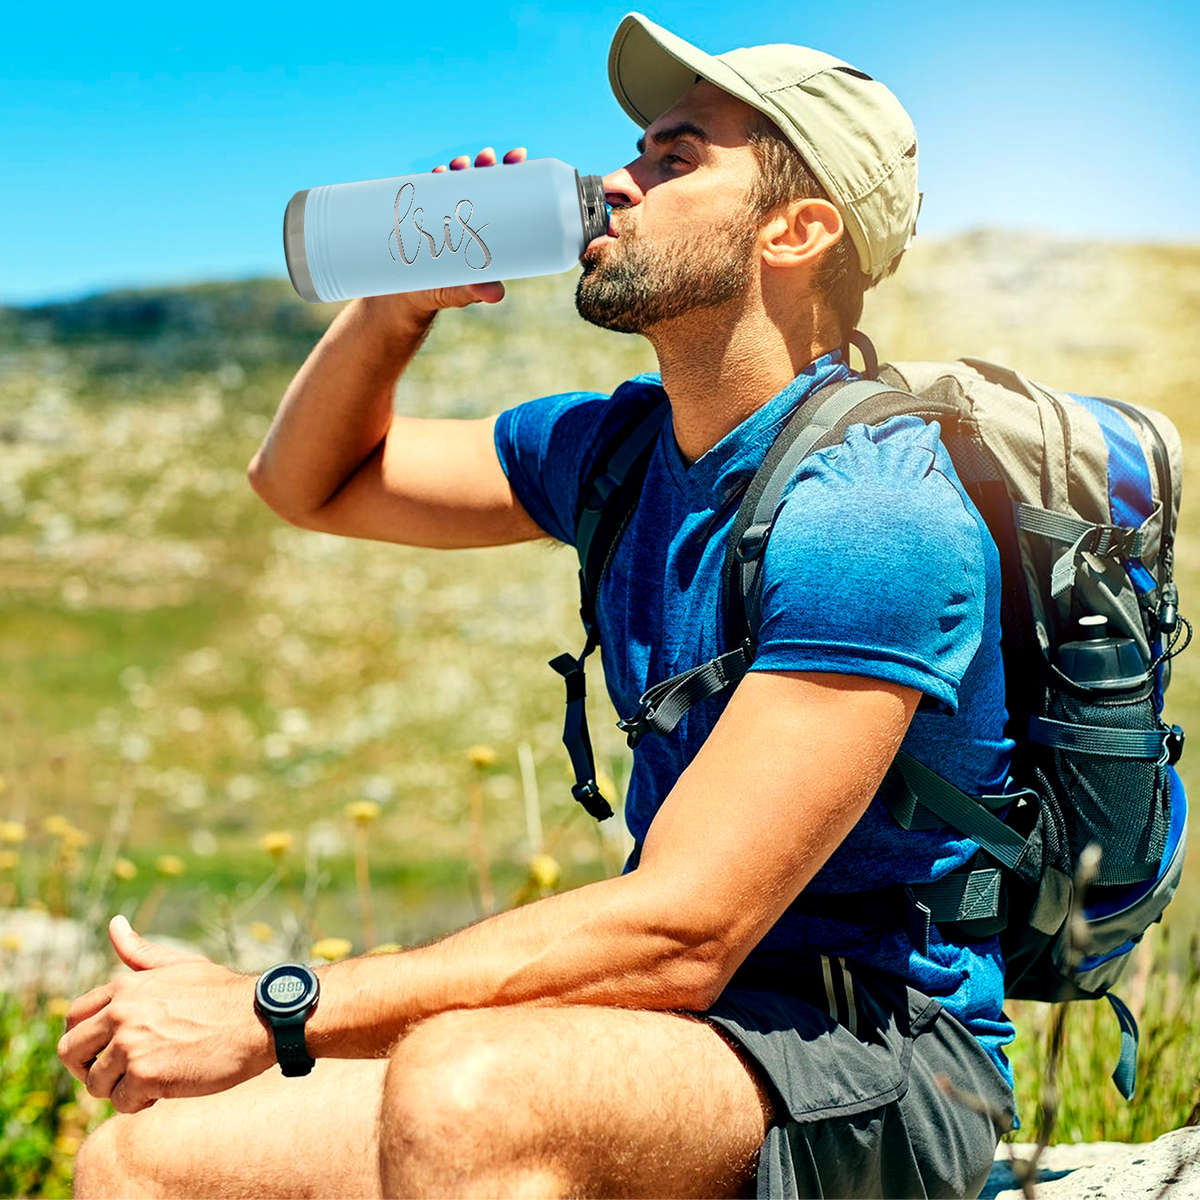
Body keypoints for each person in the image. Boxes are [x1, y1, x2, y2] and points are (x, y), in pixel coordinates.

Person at [59, 12, 1018, 1199]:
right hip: (680, 1036)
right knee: (146, 1160)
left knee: (467, 1089)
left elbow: (683, 931)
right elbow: (310, 483)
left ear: (797, 230)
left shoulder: (873, 512)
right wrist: (396, 303)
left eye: (674, 158)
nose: (618, 181)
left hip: (879, 1057)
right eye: (636, 151)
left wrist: (275, 1009)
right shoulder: (616, 449)